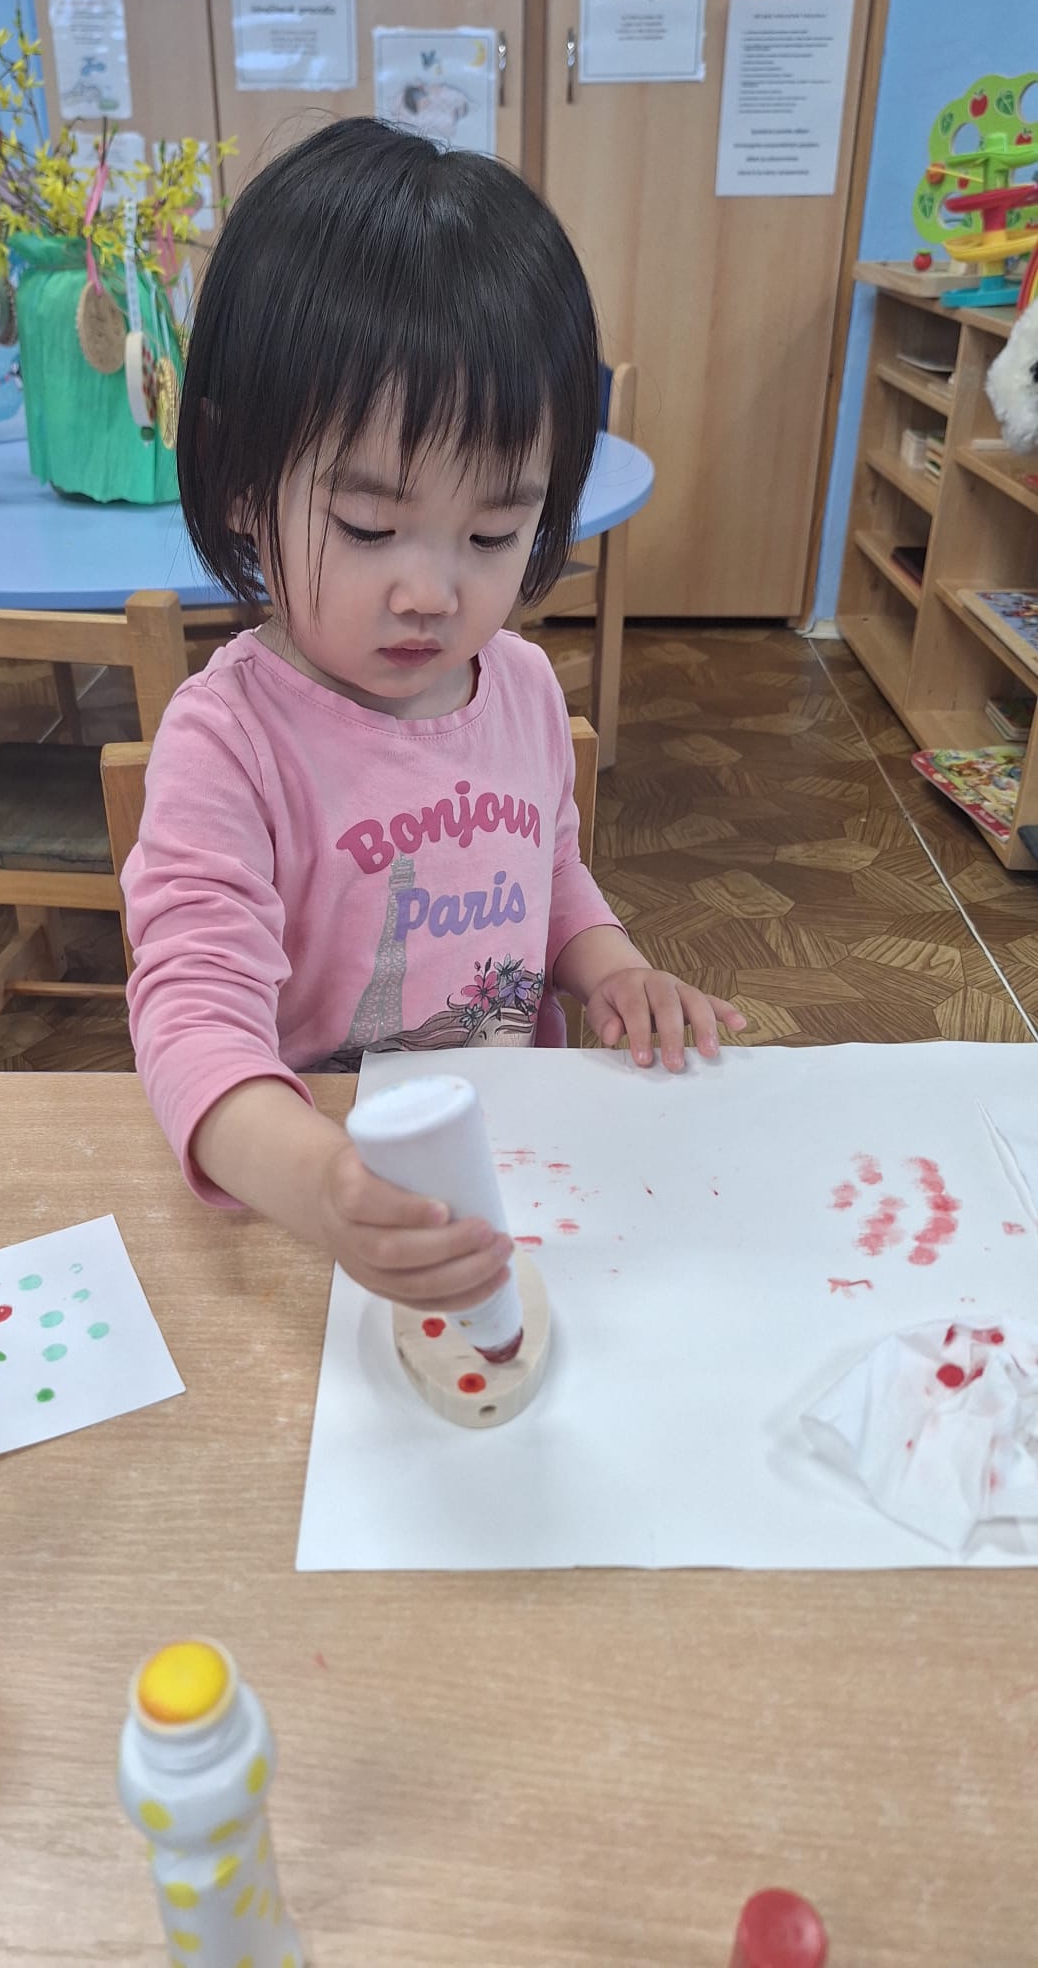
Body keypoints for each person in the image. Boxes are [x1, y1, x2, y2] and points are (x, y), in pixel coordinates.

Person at [124, 118, 745, 1318]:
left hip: (519, 1170)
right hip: (322, 1194)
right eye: (368, 527)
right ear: (244, 481)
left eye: (492, 533)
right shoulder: (230, 743)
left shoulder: (519, 686)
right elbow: (193, 1019)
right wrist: (320, 1183)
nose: (431, 592)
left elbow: (544, 872)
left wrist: (612, 968)